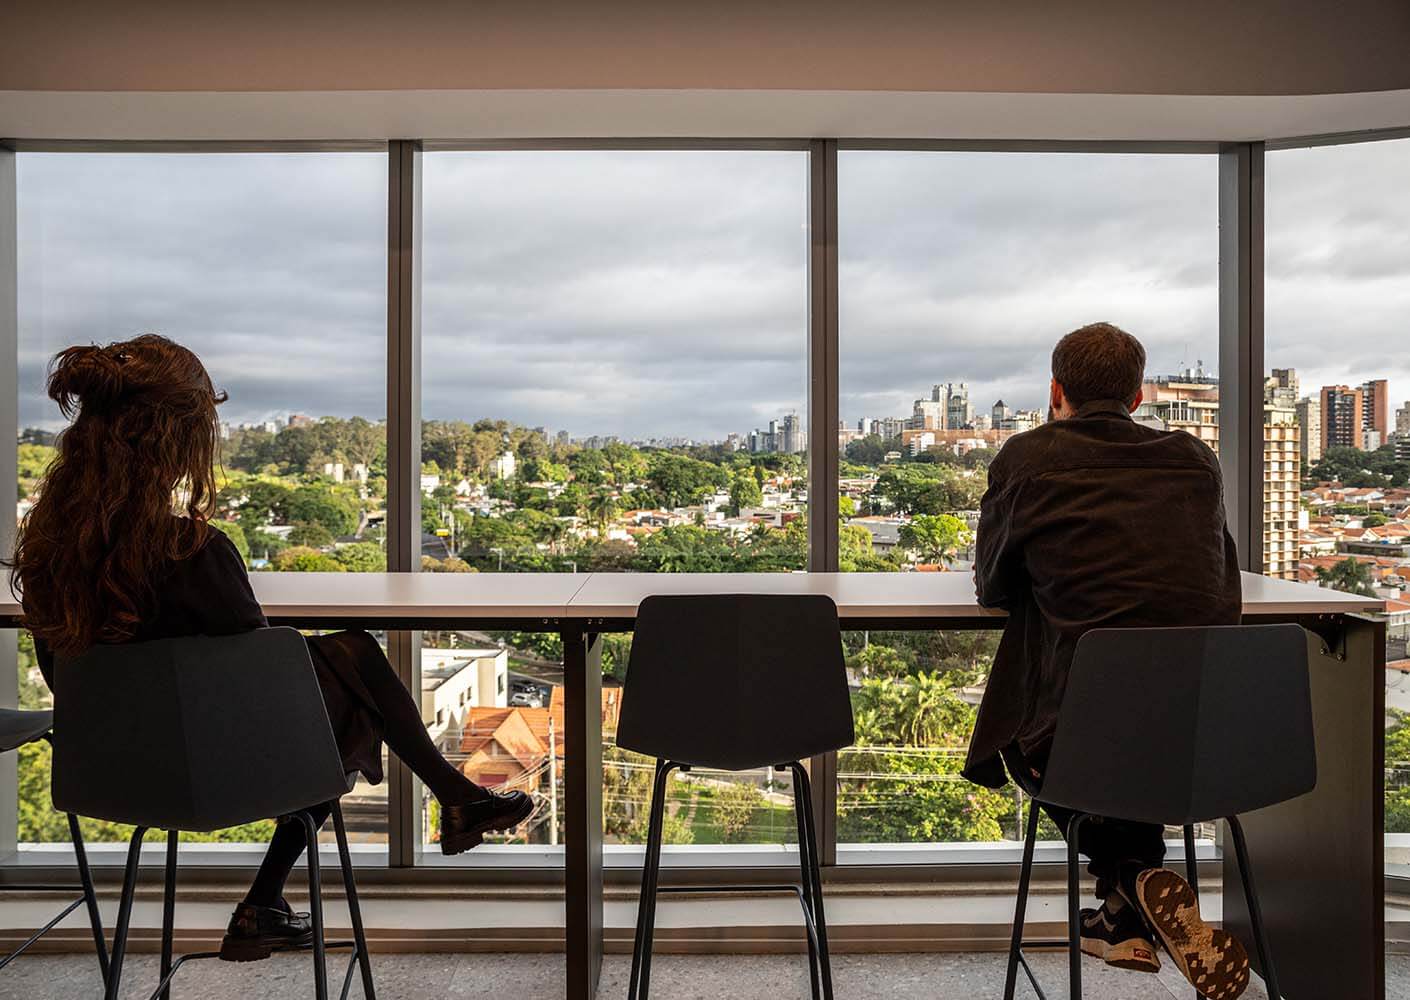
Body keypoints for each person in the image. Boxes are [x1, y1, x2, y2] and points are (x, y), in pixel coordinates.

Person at [10, 334, 535, 963]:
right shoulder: (192, 551)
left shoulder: (47, 556)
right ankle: (431, 811)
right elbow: (268, 690)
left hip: (116, 767)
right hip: (230, 768)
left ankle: (281, 896)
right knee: (352, 679)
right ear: (175, 443)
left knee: (346, 665)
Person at [967, 323, 1250, 999]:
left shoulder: (1027, 458)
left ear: (1055, 392)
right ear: (1139, 393)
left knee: (1048, 727)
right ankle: (1122, 917)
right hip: (1196, 738)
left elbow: (992, 586)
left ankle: (1126, 881)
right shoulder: (1193, 460)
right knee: (1135, 717)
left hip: (1078, 743)